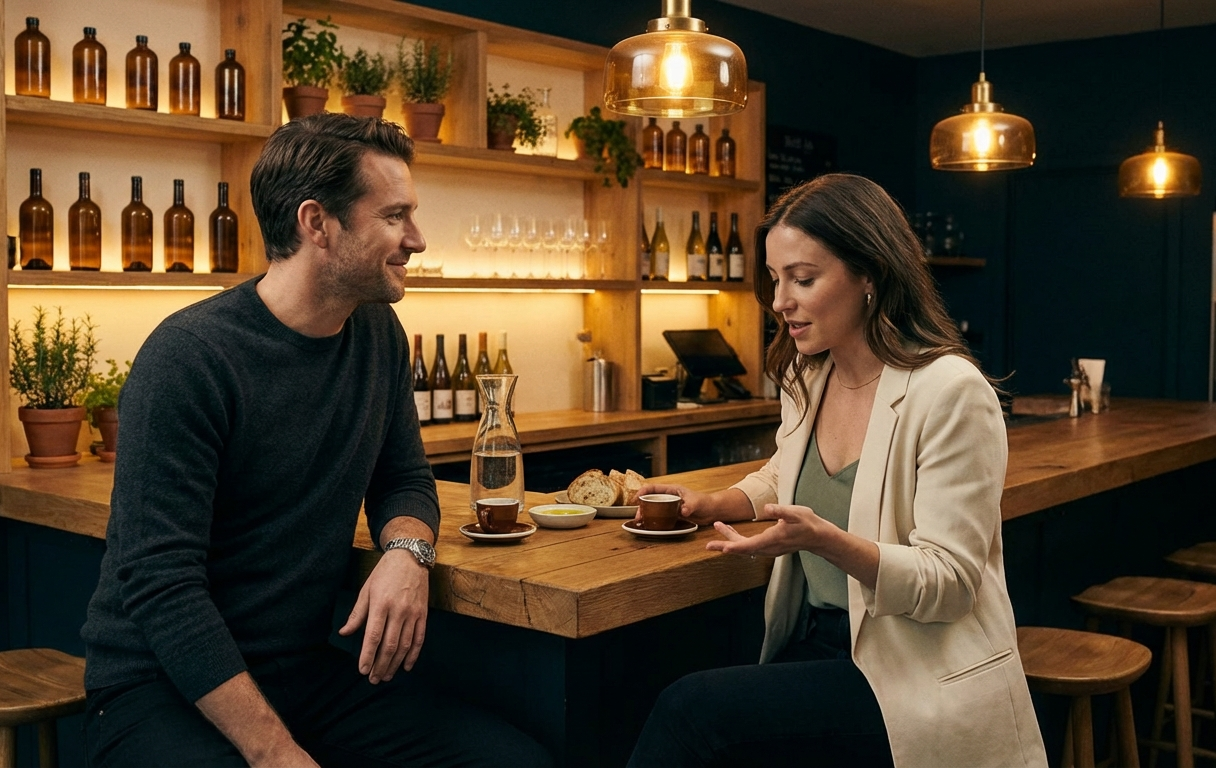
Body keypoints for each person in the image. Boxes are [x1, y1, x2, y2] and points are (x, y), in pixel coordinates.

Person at [80, 114, 551, 768]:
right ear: (316, 222)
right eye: (394, 216)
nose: (416, 239)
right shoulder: (189, 358)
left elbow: (403, 478)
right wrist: (275, 752)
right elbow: (162, 585)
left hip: (299, 671)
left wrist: (408, 553)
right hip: (163, 687)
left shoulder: (378, 334)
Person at [629, 174, 1047, 768]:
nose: (780, 301)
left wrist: (827, 541)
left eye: (802, 279)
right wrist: (713, 502)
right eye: (775, 279)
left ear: (869, 274)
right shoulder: (809, 375)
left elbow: (951, 583)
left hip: (913, 667)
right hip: (819, 642)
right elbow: (788, 470)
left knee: (690, 710)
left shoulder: (951, 391)